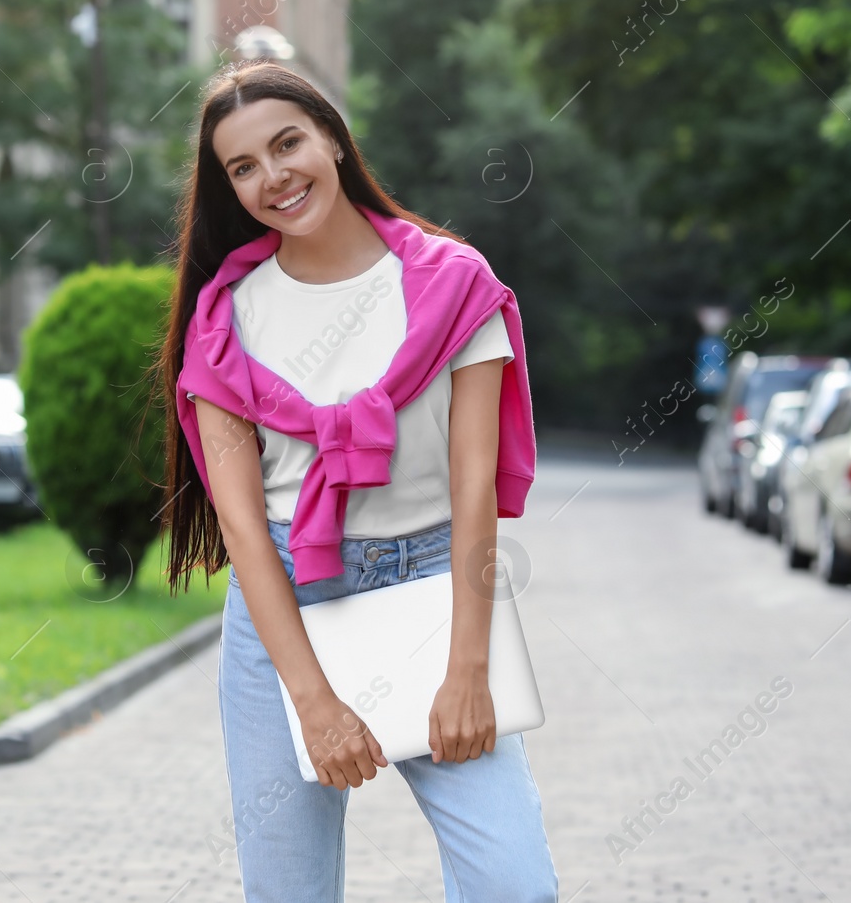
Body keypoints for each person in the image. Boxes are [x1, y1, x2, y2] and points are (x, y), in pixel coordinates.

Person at [152, 59, 558, 902]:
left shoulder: (454, 285)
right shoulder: (225, 325)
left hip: (436, 597)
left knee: (515, 886)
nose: (275, 176)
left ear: (333, 138)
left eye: (288, 142)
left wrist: (468, 670)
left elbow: (473, 492)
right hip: (284, 619)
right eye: (244, 166)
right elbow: (245, 531)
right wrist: (314, 700)